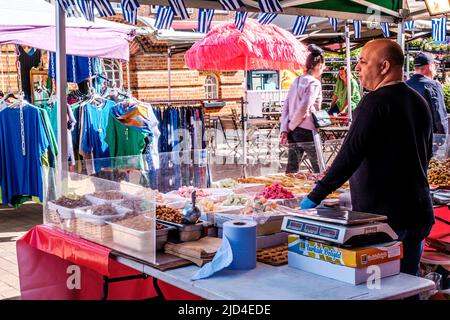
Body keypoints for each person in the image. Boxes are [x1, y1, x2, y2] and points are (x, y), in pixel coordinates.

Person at [300, 39, 435, 277]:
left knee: (382, 288)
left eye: (363, 61)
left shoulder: (374, 102)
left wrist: (314, 197)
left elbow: (349, 156)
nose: (357, 68)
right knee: (407, 283)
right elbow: (426, 154)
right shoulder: (418, 100)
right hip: (418, 212)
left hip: (385, 221)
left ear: (384, 66)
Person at [280, 44, 325, 174]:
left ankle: (288, 192)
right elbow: (304, 108)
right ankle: (320, 192)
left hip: (292, 131)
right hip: (306, 129)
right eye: (323, 65)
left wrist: (285, 128)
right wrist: (290, 127)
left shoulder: (296, 80)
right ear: (318, 65)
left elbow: (286, 106)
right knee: (318, 167)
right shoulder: (314, 83)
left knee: (292, 168)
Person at [406, 52, 448, 135]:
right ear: (429, 66)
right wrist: (443, 137)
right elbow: (439, 116)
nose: (436, 69)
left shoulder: (405, 85)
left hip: (408, 138)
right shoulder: (433, 85)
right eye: (435, 66)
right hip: (428, 138)